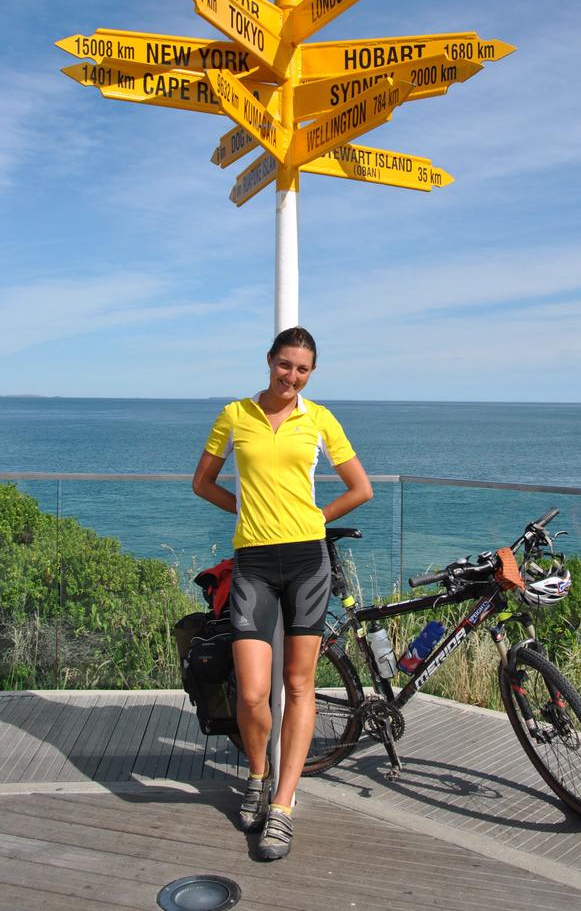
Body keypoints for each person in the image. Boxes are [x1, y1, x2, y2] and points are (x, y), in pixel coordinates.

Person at [192, 326, 372, 860]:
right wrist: (247, 513)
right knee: (251, 691)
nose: (291, 376)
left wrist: (317, 517)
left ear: (310, 373)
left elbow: (360, 488)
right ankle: (255, 776)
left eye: (302, 369)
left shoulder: (319, 419)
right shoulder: (234, 415)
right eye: (285, 365)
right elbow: (202, 482)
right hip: (252, 562)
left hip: (307, 562)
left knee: (298, 685)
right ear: (269, 361)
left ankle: (284, 806)